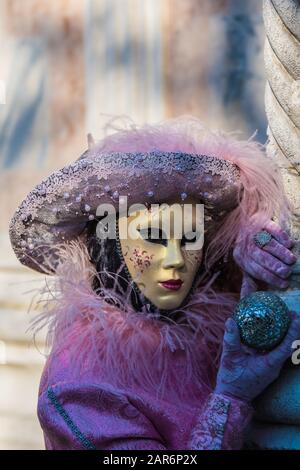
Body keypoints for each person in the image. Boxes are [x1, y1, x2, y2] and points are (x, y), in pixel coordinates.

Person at [9, 116, 300, 450]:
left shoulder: (199, 329)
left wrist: (247, 248)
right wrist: (230, 399)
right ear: (108, 244)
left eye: (192, 238)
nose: (176, 259)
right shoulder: (81, 383)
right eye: (152, 236)